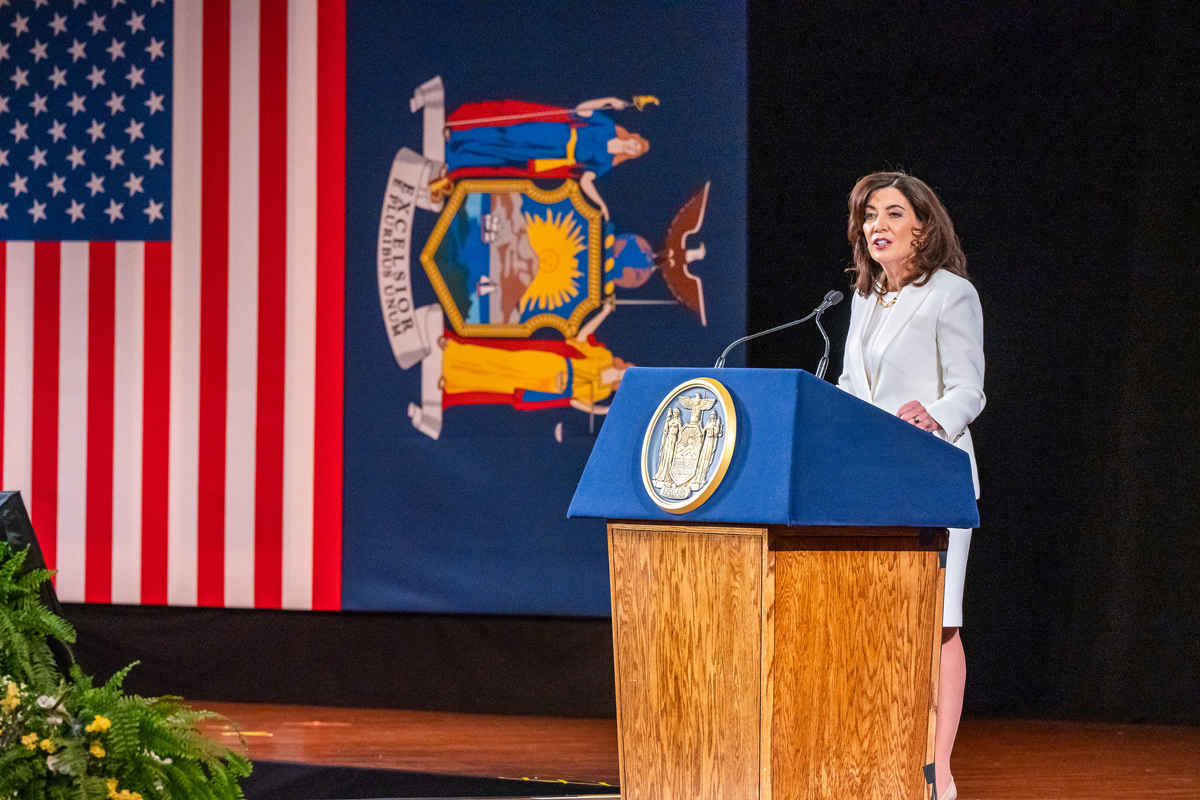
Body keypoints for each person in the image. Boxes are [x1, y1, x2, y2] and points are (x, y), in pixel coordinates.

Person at [835, 171, 985, 800]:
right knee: (882, 625)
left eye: (894, 213)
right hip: (874, 483)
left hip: (934, 475)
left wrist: (934, 415)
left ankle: (938, 772)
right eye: (870, 215)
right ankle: (884, 759)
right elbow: (850, 387)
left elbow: (969, 389)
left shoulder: (951, 294)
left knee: (940, 624)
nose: (878, 226)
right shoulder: (865, 300)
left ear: (923, 226)